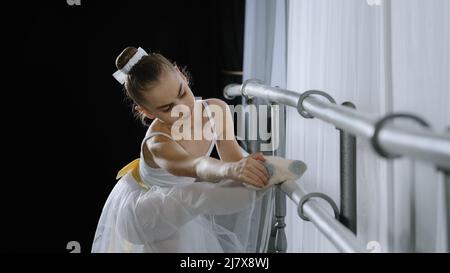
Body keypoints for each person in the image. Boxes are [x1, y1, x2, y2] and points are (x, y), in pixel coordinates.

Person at [91, 47, 274, 253]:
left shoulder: (215, 110)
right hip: (143, 213)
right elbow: (195, 166)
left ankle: (266, 182)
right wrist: (230, 171)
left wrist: (244, 167)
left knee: (197, 198)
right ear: (147, 112)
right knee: (191, 196)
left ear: (181, 74)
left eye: (182, 93)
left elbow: (233, 160)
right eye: (167, 108)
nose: (183, 107)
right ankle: (262, 187)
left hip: (179, 205)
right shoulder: (158, 143)